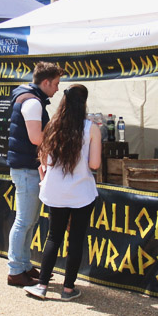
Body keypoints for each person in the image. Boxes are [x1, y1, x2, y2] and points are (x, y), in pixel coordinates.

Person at [24, 84, 101, 301]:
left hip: (55, 191)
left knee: (53, 237)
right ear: (84, 103)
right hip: (82, 192)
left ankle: (42, 285)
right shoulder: (91, 128)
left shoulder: (52, 126)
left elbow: (45, 161)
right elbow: (94, 164)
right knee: (75, 240)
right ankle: (68, 289)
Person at [5, 61, 63, 287]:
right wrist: (58, 137)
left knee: (29, 220)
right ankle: (15, 270)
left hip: (26, 167)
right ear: (46, 82)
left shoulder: (30, 99)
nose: (57, 89)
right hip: (26, 168)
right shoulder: (32, 102)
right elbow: (36, 138)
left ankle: (24, 265)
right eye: (56, 84)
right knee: (24, 220)